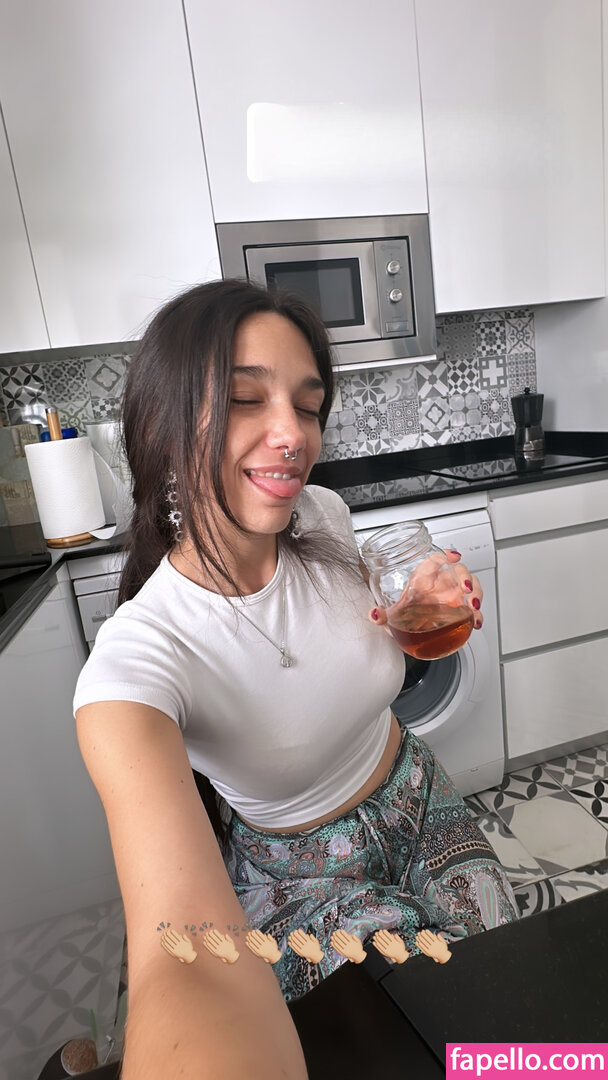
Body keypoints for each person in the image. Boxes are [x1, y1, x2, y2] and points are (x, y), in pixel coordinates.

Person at [74, 279, 518, 1079]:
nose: (292, 435)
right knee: (429, 1027)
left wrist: (415, 607)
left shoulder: (321, 515)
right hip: (297, 874)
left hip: (421, 797)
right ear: (165, 426)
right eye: (246, 399)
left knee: (503, 975)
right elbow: (184, 963)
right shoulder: (138, 658)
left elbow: (347, 650)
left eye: (308, 406)